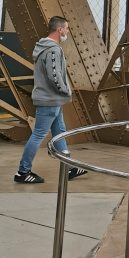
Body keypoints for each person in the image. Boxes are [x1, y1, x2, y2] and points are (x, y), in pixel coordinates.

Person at [15, 16, 87, 184]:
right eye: (66, 28)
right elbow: (54, 76)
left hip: (52, 99)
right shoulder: (53, 49)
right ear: (59, 29)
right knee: (38, 134)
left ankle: (69, 167)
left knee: (59, 132)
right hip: (50, 99)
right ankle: (22, 172)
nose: (67, 31)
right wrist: (66, 90)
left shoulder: (44, 47)